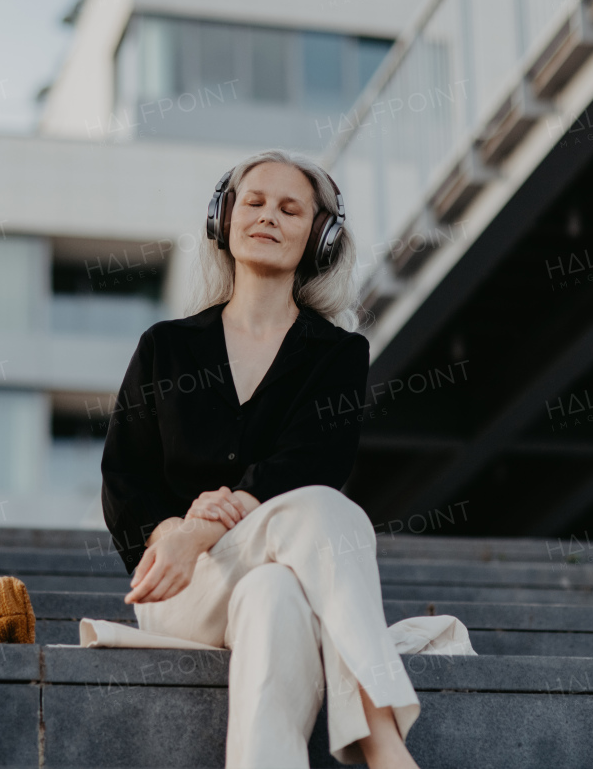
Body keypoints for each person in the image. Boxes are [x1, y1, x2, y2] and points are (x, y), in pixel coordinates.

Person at [99, 149, 422, 769]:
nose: (268, 216)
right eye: (254, 202)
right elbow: (125, 479)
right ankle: (381, 739)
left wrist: (209, 521)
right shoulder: (165, 347)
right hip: (184, 590)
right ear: (225, 219)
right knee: (330, 514)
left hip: (272, 574)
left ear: (319, 238)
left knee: (275, 589)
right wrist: (177, 533)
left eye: (290, 208)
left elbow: (313, 463)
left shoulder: (337, 355)